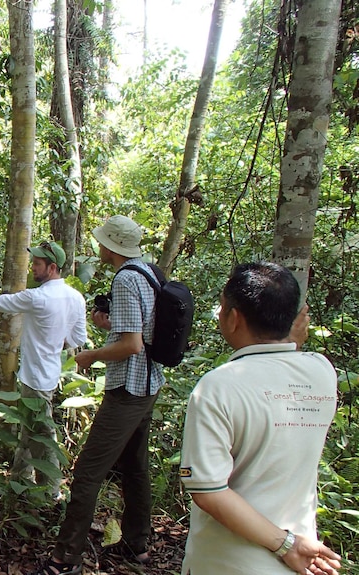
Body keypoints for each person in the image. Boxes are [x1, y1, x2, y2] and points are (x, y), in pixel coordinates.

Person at [179, 262, 341, 575]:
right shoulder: (322, 371)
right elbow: (281, 373)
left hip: (227, 562)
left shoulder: (217, 387)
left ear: (234, 318)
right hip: (301, 558)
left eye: (223, 308)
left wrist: (285, 544)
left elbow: (209, 492)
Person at [31, 215, 163, 575]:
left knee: (87, 473)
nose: (99, 246)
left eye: (103, 241)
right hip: (150, 384)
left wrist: (90, 355)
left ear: (113, 247)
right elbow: (141, 331)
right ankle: (137, 545)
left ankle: (65, 559)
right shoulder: (147, 272)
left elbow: (132, 345)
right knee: (135, 467)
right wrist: (109, 327)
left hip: (128, 388)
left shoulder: (125, 279)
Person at [0, 240, 87, 500]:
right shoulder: (75, 297)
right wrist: (51, 343)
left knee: (42, 435)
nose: (33, 269)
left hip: (35, 378)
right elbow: (77, 338)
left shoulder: (38, 297)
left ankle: (51, 492)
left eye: (37, 264)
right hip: (47, 375)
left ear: (52, 268)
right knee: (30, 430)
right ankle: (19, 480)